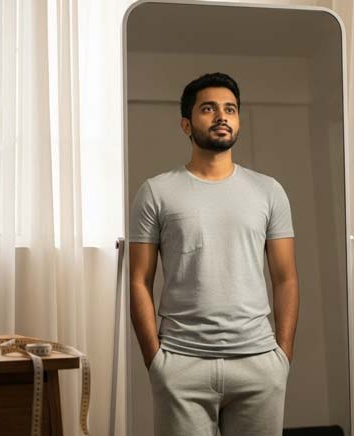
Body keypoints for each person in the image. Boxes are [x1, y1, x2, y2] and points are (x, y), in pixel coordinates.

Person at [129, 72, 299, 436]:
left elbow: (286, 278)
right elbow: (139, 280)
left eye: (230, 109)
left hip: (258, 364)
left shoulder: (269, 191)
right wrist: (156, 362)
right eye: (209, 108)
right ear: (186, 124)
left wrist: (281, 357)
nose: (222, 116)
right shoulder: (156, 192)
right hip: (181, 363)